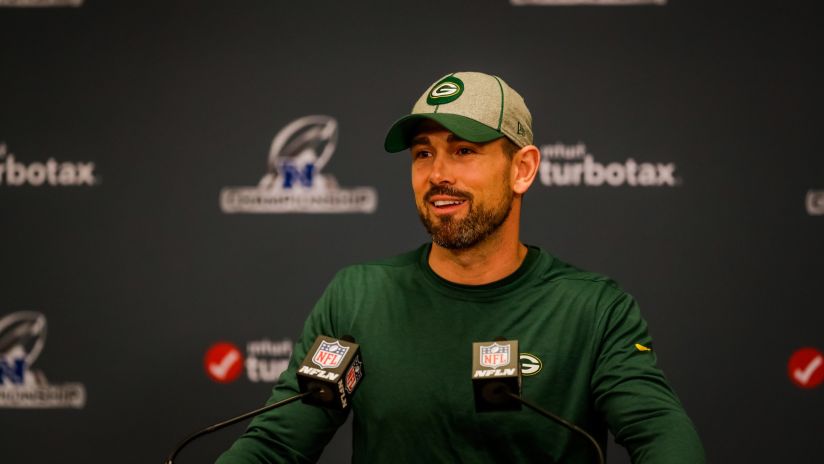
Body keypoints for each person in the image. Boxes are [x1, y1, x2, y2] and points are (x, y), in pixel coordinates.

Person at [216, 71, 706, 463]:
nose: (438, 175)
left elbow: (661, 435)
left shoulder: (594, 308)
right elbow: (278, 446)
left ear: (523, 169)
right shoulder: (357, 297)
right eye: (423, 154)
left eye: (464, 151)